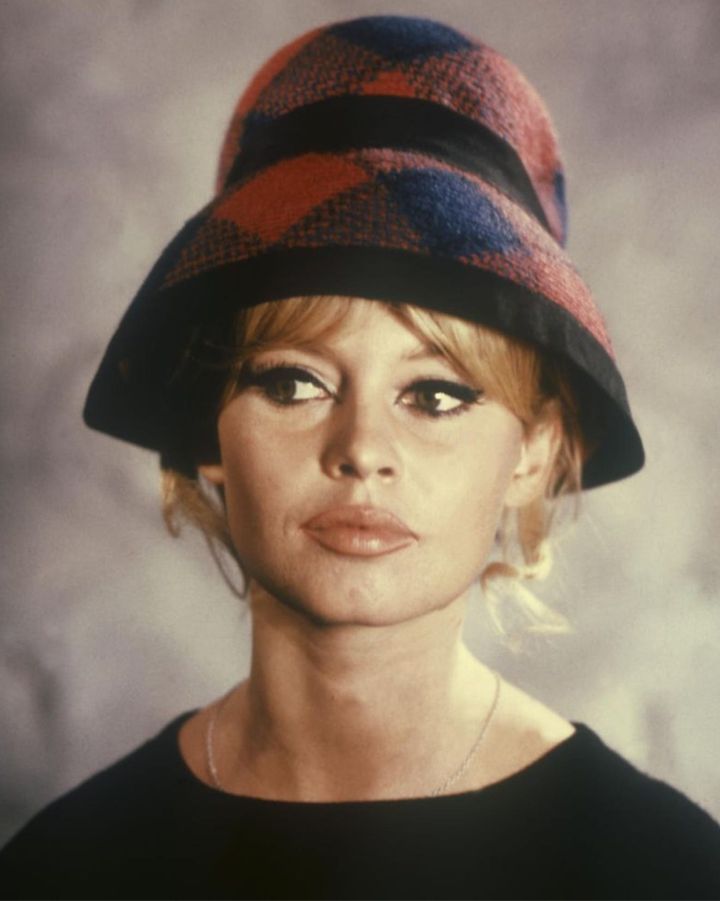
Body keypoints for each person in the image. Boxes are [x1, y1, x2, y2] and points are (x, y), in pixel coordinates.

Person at [1, 14, 719, 901]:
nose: (362, 451)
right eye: (294, 382)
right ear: (206, 431)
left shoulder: (664, 871)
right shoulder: (63, 868)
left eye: (437, 394)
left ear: (534, 451)